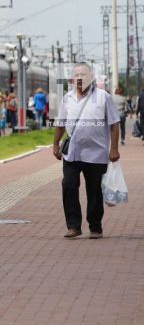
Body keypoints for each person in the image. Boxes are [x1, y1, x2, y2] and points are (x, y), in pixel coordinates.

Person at [53, 62, 120, 240]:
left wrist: (114, 149)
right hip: (72, 153)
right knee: (68, 186)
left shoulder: (103, 97)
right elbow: (60, 124)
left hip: (96, 154)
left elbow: (114, 124)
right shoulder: (67, 98)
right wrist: (55, 145)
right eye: (77, 75)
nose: (81, 78)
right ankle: (73, 226)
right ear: (71, 80)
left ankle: (95, 227)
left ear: (91, 77)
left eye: (85, 75)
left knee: (95, 191)